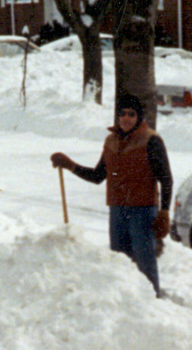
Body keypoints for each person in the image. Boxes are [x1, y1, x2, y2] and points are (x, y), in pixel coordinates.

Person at [51, 93, 173, 296]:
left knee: (145, 263)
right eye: (122, 114)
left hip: (142, 211)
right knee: (118, 263)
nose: (126, 118)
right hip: (117, 211)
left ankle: (152, 302)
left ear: (139, 117)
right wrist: (71, 165)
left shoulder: (151, 140)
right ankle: (124, 303)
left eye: (131, 114)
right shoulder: (111, 141)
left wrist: (164, 212)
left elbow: (166, 178)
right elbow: (98, 176)